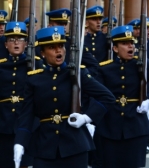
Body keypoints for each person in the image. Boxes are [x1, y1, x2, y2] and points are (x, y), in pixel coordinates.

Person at [13, 26, 115, 168]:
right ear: (42, 53)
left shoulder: (78, 74)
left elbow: (107, 97)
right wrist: (20, 142)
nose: (58, 50)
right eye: (52, 47)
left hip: (75, 145)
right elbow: (27, 115)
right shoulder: (34, 80)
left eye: (61, 46)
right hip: (44, 146)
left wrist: (86, 118)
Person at [92, 25, 149, 168]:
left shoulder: (141, 66)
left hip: (136, 126)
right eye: (125, 43)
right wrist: (91, 118)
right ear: (115, 48)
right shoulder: (105, 68)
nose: (130, 46)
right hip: (110, 126)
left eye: (132, 43)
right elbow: (97, 95)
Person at [0, 22, 43, 168]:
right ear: (6, 44)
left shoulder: (37, 65)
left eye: (20, 39)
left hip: (28, 123)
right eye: (12, 39)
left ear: (26, 43)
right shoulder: (1, 65)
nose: (16, 42)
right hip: (4, 124)